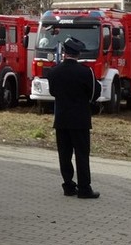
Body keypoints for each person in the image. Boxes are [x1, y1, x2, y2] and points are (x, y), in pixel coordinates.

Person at [43, 36, 101, 198]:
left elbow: (53, 92)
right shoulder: (86, 72)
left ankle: (68, 185)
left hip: (61, 119)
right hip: (80, 119)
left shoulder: (54, 71)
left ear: (64, 53)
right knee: (81, 154)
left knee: (64, 154)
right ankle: (84, 188)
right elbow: (94, 93)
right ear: (78, 54)